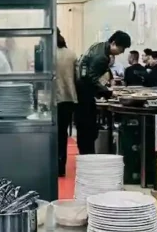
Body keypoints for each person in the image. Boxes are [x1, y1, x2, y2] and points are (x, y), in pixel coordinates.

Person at [75, 30, 131, 155]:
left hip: (81, 93)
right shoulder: (102, 57)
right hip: (85, 95)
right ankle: (88, 156)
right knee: (88, 129)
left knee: (84, 129)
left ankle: (86, 153)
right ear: (114, 43)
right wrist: (108, 93)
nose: (122, 52)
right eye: (122, 48)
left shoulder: (98, 46)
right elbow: (92, 78)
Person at [56, 30, 77, 178]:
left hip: (50, 100)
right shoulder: (72, 54)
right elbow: (77, 78)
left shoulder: (46, 54)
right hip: (69, 98)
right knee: (63, 134)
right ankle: (61, 166)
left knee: (51, 135)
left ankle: (50, 164)